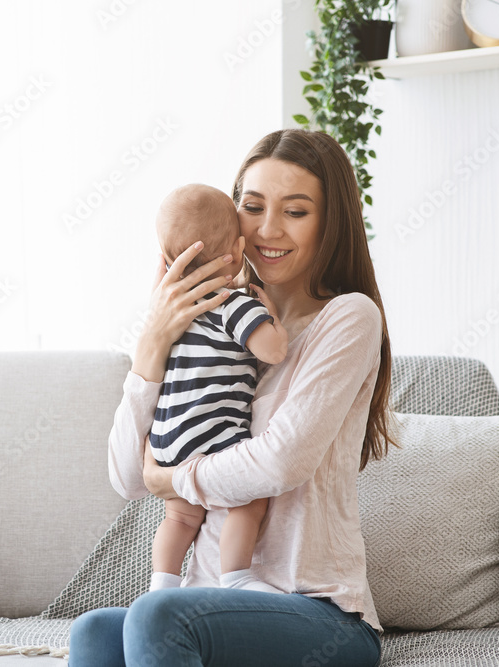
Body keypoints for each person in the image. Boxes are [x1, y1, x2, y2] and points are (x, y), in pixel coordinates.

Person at [70, 129, 392, 667]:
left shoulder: (348, 317)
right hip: (209, 605)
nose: (269, 229)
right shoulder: (206, 328)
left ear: (329, 223)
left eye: (295, 211)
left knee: (156, 614)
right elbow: (128, 479)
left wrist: (173, 480)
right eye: (253, 207)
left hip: (315, 610)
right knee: (94, 633)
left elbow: (280, 462)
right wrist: (152, 345)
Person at [148, 184, 288, 596]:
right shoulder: (233, 302)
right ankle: (236, 575)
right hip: (213, 433)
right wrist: (271, 315)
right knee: (248, 502)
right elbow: (274, 351)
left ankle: (162, 585)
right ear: (239, 248)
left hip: (168, 438)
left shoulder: (171, 311)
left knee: (178, 518)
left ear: (168, 261)